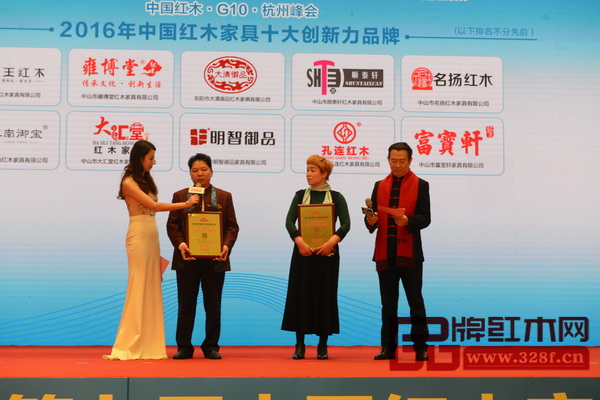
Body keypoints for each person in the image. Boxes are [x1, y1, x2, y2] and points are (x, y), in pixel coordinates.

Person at [104, 140, 200, 360]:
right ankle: (130, 342)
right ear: (140, 158)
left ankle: (149, 342)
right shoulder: (128, 182)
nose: (153, 162)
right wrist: (185, 205)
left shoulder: (145, 179)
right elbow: (154, 206)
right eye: (151, 158)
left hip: (151, 235)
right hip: (138, 235)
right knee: (138, 285)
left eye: (154, 158)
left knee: (151, 286)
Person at [166, 153, 239, 360]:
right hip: (187, 259)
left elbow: (232, 226)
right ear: (190, 174)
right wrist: (181, 245)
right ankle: (184, 346)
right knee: (186, 305)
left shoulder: (224, 196)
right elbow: (172, 225)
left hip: (215, 260)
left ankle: (211, 346)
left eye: (204, 169)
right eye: (195, 170)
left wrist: (225, 246)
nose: (200, 173)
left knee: (213, 305)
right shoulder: (180, 196)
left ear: (211, 172)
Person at [365, 142, 431, 362]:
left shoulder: (421, 185)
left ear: (410, 161)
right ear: (388, 160)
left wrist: (408, 221)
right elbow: (373, 218)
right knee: (388, 304)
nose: (398, 165)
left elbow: (425, 218)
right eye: (394, 160)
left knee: (415, 302)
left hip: (410, 253)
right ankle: (388, 347)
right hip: (385, 253)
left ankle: (420, 347)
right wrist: (371, 220)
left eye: (402, 161)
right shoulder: (379, 186)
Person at [281, 155, 351, 360]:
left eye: (312, 170)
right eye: (307, 170)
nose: (308, 174)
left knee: (325, 296)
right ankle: (300, 344)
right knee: (300, 295)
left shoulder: (337, 197)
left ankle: (322, 345)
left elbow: (346, 224)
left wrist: (331, 242)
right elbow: (289, 222)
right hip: (303, 253)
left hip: (327, 254)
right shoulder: (300, 195)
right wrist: (300, 242)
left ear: (324, 174)